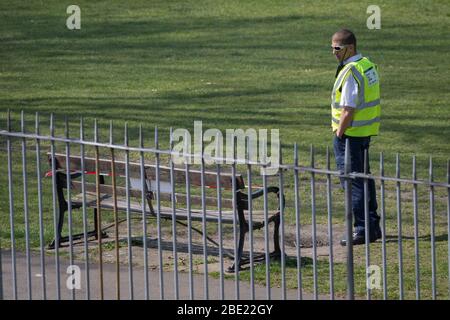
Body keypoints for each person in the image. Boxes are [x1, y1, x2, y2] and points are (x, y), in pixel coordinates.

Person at [330, 29, 381, 246]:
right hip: (363, 133)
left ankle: (361, 230)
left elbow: (348, 109)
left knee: (353, 182)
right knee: (364, 179)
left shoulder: (351, 71)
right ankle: (372, 226)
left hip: (350, 135)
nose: (333, 52)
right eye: (332, 47)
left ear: (350, 48)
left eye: (337, 48)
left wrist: (340, 133)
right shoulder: (366, 64)